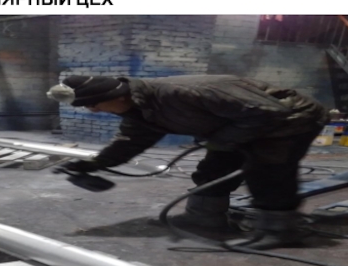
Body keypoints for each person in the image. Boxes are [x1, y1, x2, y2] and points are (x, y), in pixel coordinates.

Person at [46, 74, 329, 249]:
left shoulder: (183, 92)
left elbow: (268, 112)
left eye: (93, 104)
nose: (93, 111)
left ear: (114, 96)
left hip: (290, 121)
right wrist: (93, 164)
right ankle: (204, 217)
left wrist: (222, 139)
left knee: (268, 173)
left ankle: (280, 231)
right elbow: (130, 142)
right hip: (239, 124)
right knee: (212, 169)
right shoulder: (138, 109)